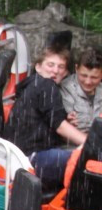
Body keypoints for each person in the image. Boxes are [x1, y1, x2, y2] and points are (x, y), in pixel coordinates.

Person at [6, 46, 86, 191]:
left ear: (66, 73)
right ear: (38, 67)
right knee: (85, 162)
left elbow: (43, 121)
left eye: (61, 67)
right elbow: (59, 126)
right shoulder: (46, 84)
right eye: (50, 65)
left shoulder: (31, 85)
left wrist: (64, 120)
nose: (55, 71)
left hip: (14, 157)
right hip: (31, 159)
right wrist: (91, 143)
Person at [60, 46, 102, 133]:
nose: (88, 82)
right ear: (76, 69)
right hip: (72, 143)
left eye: (94, 77)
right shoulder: (66, 88)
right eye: (84, 75)